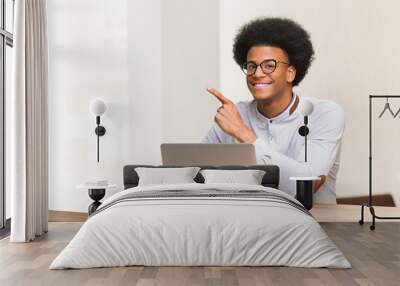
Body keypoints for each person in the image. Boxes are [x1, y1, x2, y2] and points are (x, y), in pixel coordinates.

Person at [202, 17, 345, 204]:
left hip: (312, 224)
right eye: (251, 66)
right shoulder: (234, 114)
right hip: (248, 222)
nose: (257, 73)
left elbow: (307, 187)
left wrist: (245, 135)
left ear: (290, 73)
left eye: (269, 65)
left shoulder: (325, 114)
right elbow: (198, 173)